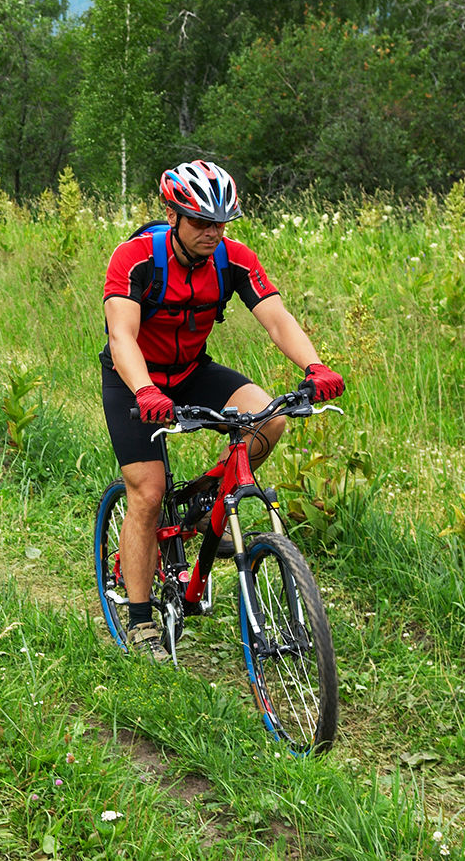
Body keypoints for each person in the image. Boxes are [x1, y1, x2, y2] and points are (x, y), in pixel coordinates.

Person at [100, 160, 344, 662]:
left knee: (267, 416)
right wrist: (145, 391)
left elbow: (276, 318)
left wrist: (315, 366)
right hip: (134, 379)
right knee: (147, 492)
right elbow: (121, 335)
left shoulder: (232, 259)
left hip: (191, 369)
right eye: (201, 222)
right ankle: (142, 619)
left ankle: (212, 506)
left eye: (221, 223)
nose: (213, 233)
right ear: (175, 216)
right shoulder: (136, 258)